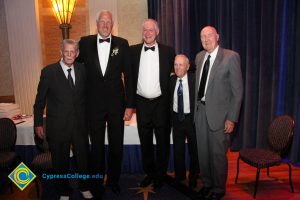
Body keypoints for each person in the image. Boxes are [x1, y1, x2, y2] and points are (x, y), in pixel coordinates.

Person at [76, 10, 134, 196]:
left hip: (117, 104)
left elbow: (129, 76)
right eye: (103, 21)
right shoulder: (84, 43)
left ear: (112, 24)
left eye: (109, 22)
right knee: (97, 147)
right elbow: (72, 63)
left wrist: (130, 105)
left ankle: (114, 180)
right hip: (93, 105)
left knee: (116, 145)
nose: (106, 24)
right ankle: (96, 182)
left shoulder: (122, 44)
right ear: (97, 23)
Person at [33, 39, 93, 200]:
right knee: (60, 162)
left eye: (72, 51)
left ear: (77, 53)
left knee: (83, 160)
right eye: (66, 51)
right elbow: (40, 101)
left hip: (80, 125)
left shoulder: (83, 70)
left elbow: (88, 96)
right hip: (58, 126)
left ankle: (85, 186)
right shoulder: (48, 72)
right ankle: (63, 191)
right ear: (61, 52)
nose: (69, 55)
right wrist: (38, 123)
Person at [194, 26, 243, 200]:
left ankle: (219, 189)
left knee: (217, 155)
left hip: (220, 117)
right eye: (202, 37)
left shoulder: (231, 57)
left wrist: (232, 118)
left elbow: (238, 92)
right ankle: (207, 184)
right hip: (200, 113)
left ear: (218, 37)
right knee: (203, 153)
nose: (206, 39)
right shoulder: (199, 57)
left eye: (209, 36)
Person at [130, 19, 175, 189]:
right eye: (145, 30)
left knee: (163, 142)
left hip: (161, 104)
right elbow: (129, 78)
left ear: (157, 32)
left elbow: (177, 72)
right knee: (146, 143)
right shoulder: (133, 51)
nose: (148, 33)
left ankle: (160, 176)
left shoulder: (168, 52)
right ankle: (150, 173)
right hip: (141, 105)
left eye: (151, 30)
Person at [170, 54, 199, 188]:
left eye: (181, 64)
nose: (177, 67)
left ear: (187, 67)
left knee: (194, 150)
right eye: (175, 64)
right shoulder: (171, 80)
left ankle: (193, 176)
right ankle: (179, 175)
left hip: (191, 120)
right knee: (178, 149)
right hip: (177, 119)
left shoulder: (195, 80)